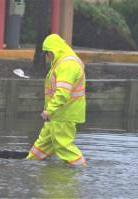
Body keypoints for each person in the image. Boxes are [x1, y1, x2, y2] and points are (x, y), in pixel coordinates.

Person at [26, 34, 87, 167]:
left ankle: (82, 170)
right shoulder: (62, 62)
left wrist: (49, 110)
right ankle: (29, 164)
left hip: (64, 114)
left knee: (63, 146)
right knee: (42, 145)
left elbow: (62, 93)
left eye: (48, 53)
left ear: (53, 51)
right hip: (57, 115)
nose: (48, 57)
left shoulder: (67, 65)